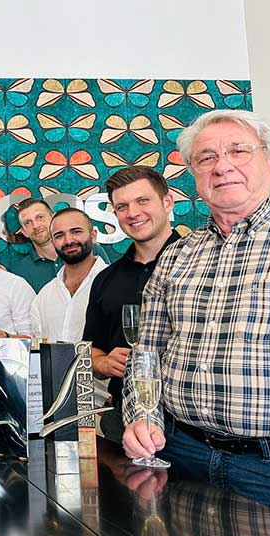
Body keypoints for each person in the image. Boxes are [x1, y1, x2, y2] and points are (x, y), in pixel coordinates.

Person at [122, 110, 270, 502]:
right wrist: (142, 417)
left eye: (238, 151)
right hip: (178, 453)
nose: (222, 166)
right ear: (193, 173)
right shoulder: (177, 255)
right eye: (206, 158)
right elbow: (146, 355)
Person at [82, 166, 181, 442]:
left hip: (189, 430)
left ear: (167, 202)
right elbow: (90, 350)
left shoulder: (202, 265)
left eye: (142, 200)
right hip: (123, 422)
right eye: (122, 206)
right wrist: (103, 363)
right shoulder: (106, 279)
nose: (133, 213)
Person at [30, 208, 107, 342]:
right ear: (53, 243)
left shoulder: (114, 284)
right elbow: (37, 347)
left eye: (76, 231)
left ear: (93, 236)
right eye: (59, 236)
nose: (68, 241)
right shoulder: (44, 296)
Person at [12, 197, 110, 292]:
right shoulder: (19, 271)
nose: (36, 225)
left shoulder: (89, 249)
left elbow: (109, 286)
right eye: (27, 223)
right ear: (24, 232)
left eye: (40, 217)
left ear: (53, 218)